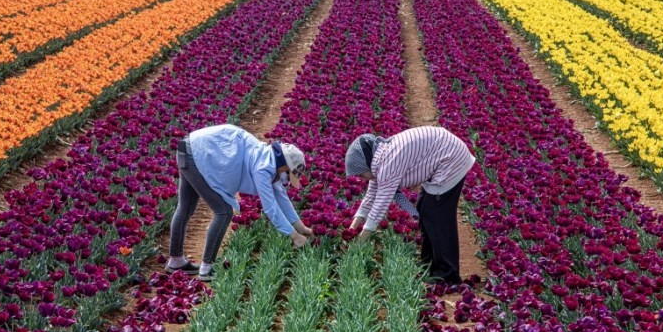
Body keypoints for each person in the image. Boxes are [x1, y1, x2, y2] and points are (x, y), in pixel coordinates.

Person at [166, 124, 313, 281]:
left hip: (189, 147)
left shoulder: (266, 157)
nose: (286, 182)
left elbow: (281, 196)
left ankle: (176, 261)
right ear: (284, 167)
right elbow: (271, 208)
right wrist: (294, 236)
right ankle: (207, 268)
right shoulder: (263, 168)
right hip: (198, 155)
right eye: (288, 177)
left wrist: (300, 227)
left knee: (185, 207)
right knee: (223, 212)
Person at [345, 126, 476, 284]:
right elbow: (370, 197)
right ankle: (430, 266)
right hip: (443, 154)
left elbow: (380, 205)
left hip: (450, 158)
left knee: (436, 214)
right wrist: (351, 230)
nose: (361, 178)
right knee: (424, 208)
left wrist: (359, 242)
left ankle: (447, 274)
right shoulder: (379, 159)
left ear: (365, 165)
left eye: (360, 174)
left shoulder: (388, 163)